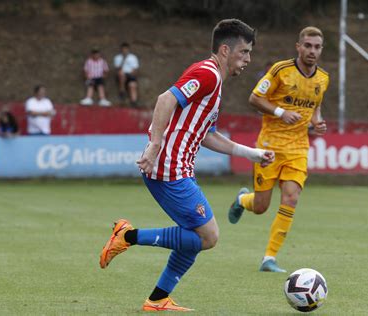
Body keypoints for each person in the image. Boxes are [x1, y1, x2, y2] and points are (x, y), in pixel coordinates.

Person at [99, 19, 274, 312]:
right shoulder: (207, 73)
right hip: (169, 166)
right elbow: (165, 99)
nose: (248, 59)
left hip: (179, 168)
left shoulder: (214, 84)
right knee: (208, 236)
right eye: (244, 52)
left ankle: (157, 300)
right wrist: (155, 144)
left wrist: (251, 154)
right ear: (225, 49)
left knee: (194, 237)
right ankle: (126, 235)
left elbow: (208, 135)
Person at [228, 26, 329, 273]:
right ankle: (243, 199)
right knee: (261, 206)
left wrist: (317, 122)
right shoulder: (280, 71)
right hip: (269, 146)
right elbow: (254, 98)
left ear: (321, 49)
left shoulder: (323, 78)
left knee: (291, 197)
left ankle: (269, 258)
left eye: (317, 47)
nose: (312, 51)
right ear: (298, 47)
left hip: (298, 149)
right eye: (308, 45)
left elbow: (315, 107)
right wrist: (281, 112)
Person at [114, 42, 140, 106]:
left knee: (132, 85)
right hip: (121, 74)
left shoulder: (133, 57)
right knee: (121, 73)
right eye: (123, 49)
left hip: (130, 75)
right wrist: (123, 60)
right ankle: (122, 91)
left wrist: (131, 74)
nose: (124, 50)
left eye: (126, 49)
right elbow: (118, 69)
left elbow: (135, 69)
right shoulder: (118, 58)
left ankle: (134, 101)